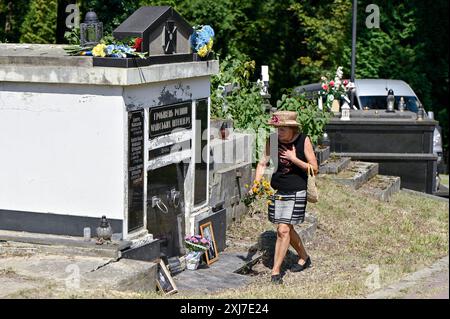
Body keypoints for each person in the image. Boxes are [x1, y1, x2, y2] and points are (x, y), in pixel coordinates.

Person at [253, 111, 318, 284]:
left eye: (282, 130)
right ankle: (304, 256)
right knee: (286, 229)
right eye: (276, 129)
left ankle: (275, 272)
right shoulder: (273, 141)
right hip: (279, 191)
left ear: (291, 128)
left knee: (282, 230)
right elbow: (262, 163)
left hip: (297, 191)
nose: (278, 133)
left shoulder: (303, 140)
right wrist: (256, 184)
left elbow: (314, 168)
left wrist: (293, 158)